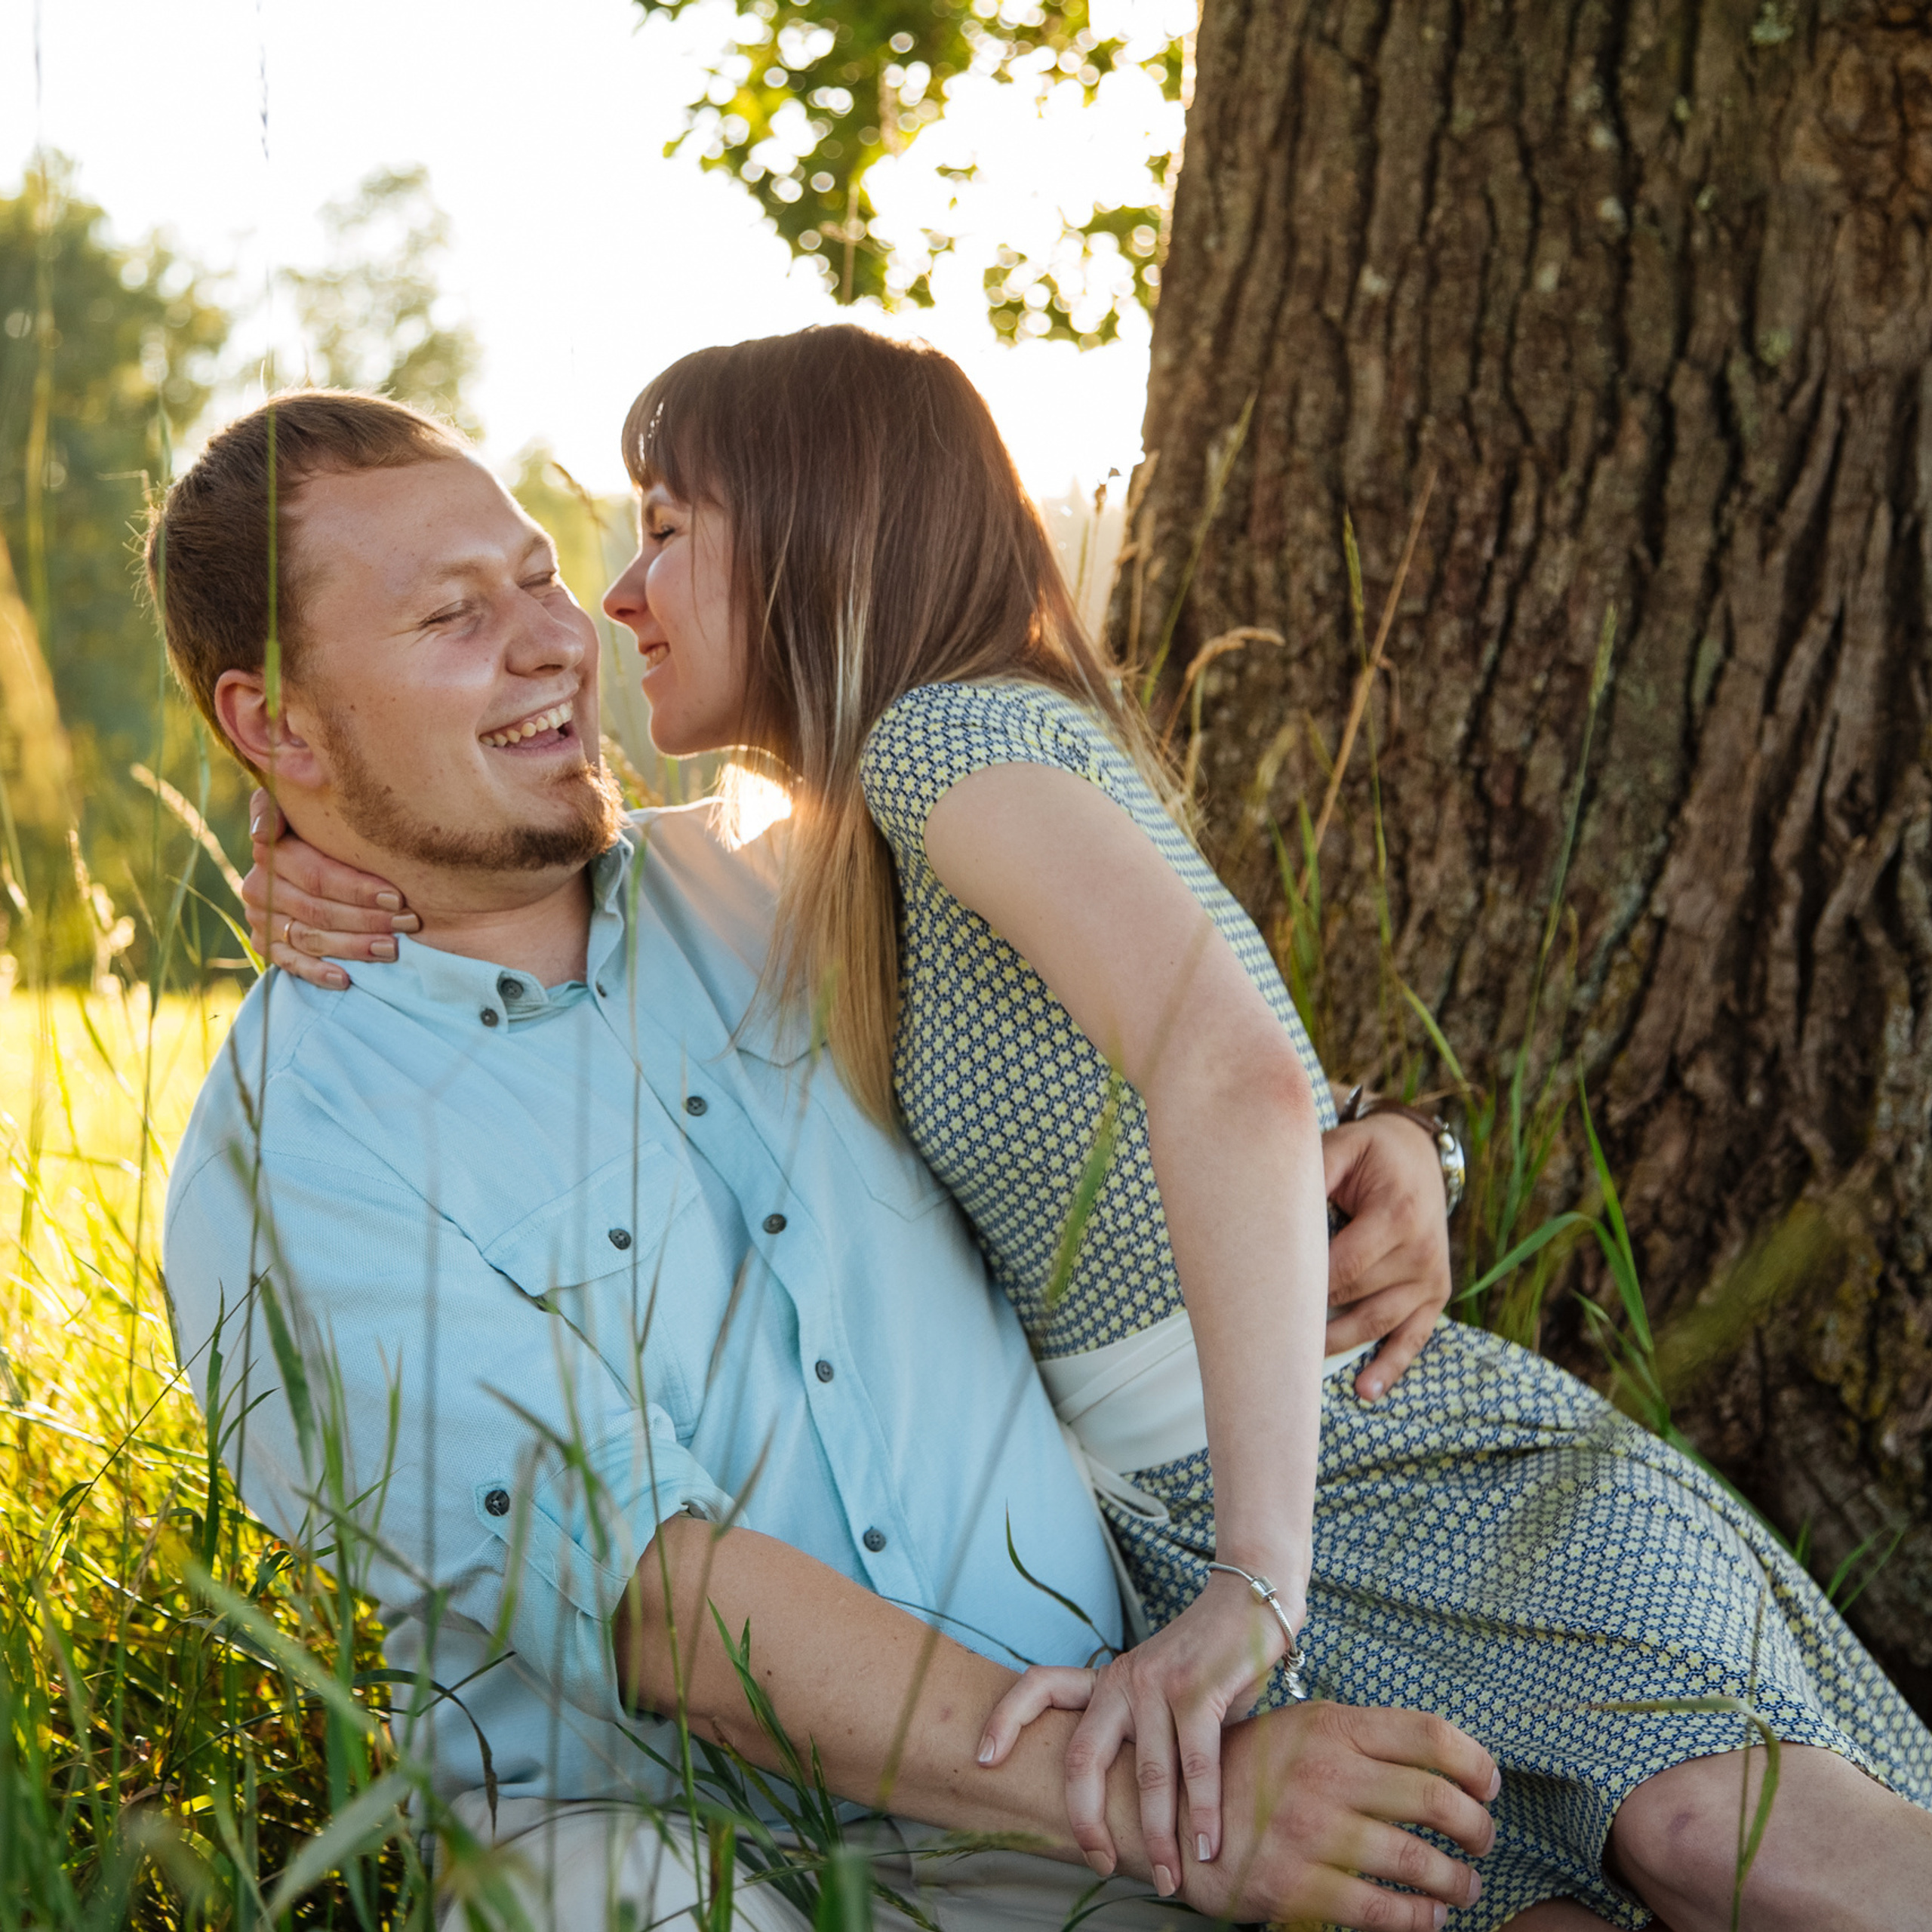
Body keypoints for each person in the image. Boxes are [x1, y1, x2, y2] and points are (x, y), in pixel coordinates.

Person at [256, 328, 1932, 1932]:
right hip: (1206, 1549)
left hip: (1343, 1483)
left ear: (816, 531)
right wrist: (325, 815)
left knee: (1725, 1845)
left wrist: (1268, 1539)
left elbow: (1232, 1069)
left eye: (655, 535)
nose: (606, 608)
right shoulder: (822, 859)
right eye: (481, 605)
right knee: (1553, 1894)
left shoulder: (937, 743)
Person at [153, 386, 1505, 1932]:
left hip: (1136, 1822)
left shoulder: (800, 875)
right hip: (741, 1868)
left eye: (538, 575)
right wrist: (1168, 1805)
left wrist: (1399, 1146)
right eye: (456, 616)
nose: (553, 639)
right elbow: (661, 1604)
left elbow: (1176, 1044)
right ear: (273, 727)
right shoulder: (299, 1153)